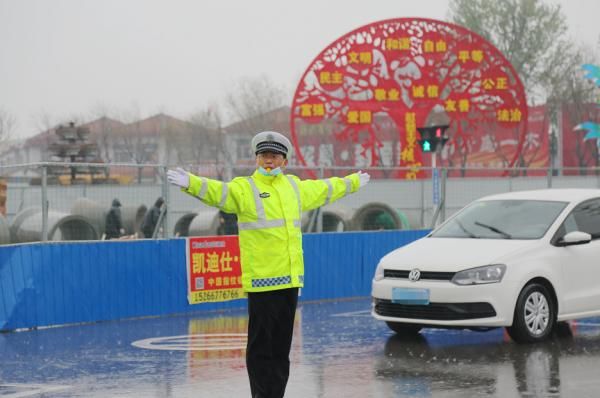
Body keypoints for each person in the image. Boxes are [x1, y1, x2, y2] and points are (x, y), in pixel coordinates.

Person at [167, 131, 370, 398]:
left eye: (274, 156)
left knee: (280, 348)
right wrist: (190, 183)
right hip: (262, 281)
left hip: (290, 280)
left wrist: (353, 181)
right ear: (256, 159)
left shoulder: (294, 187)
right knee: (261, 348)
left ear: (284, 160)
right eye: (264, 156)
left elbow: (326, 189)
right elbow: (218, 192)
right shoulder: (245, 188)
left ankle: (276, 394)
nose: (268, 161)